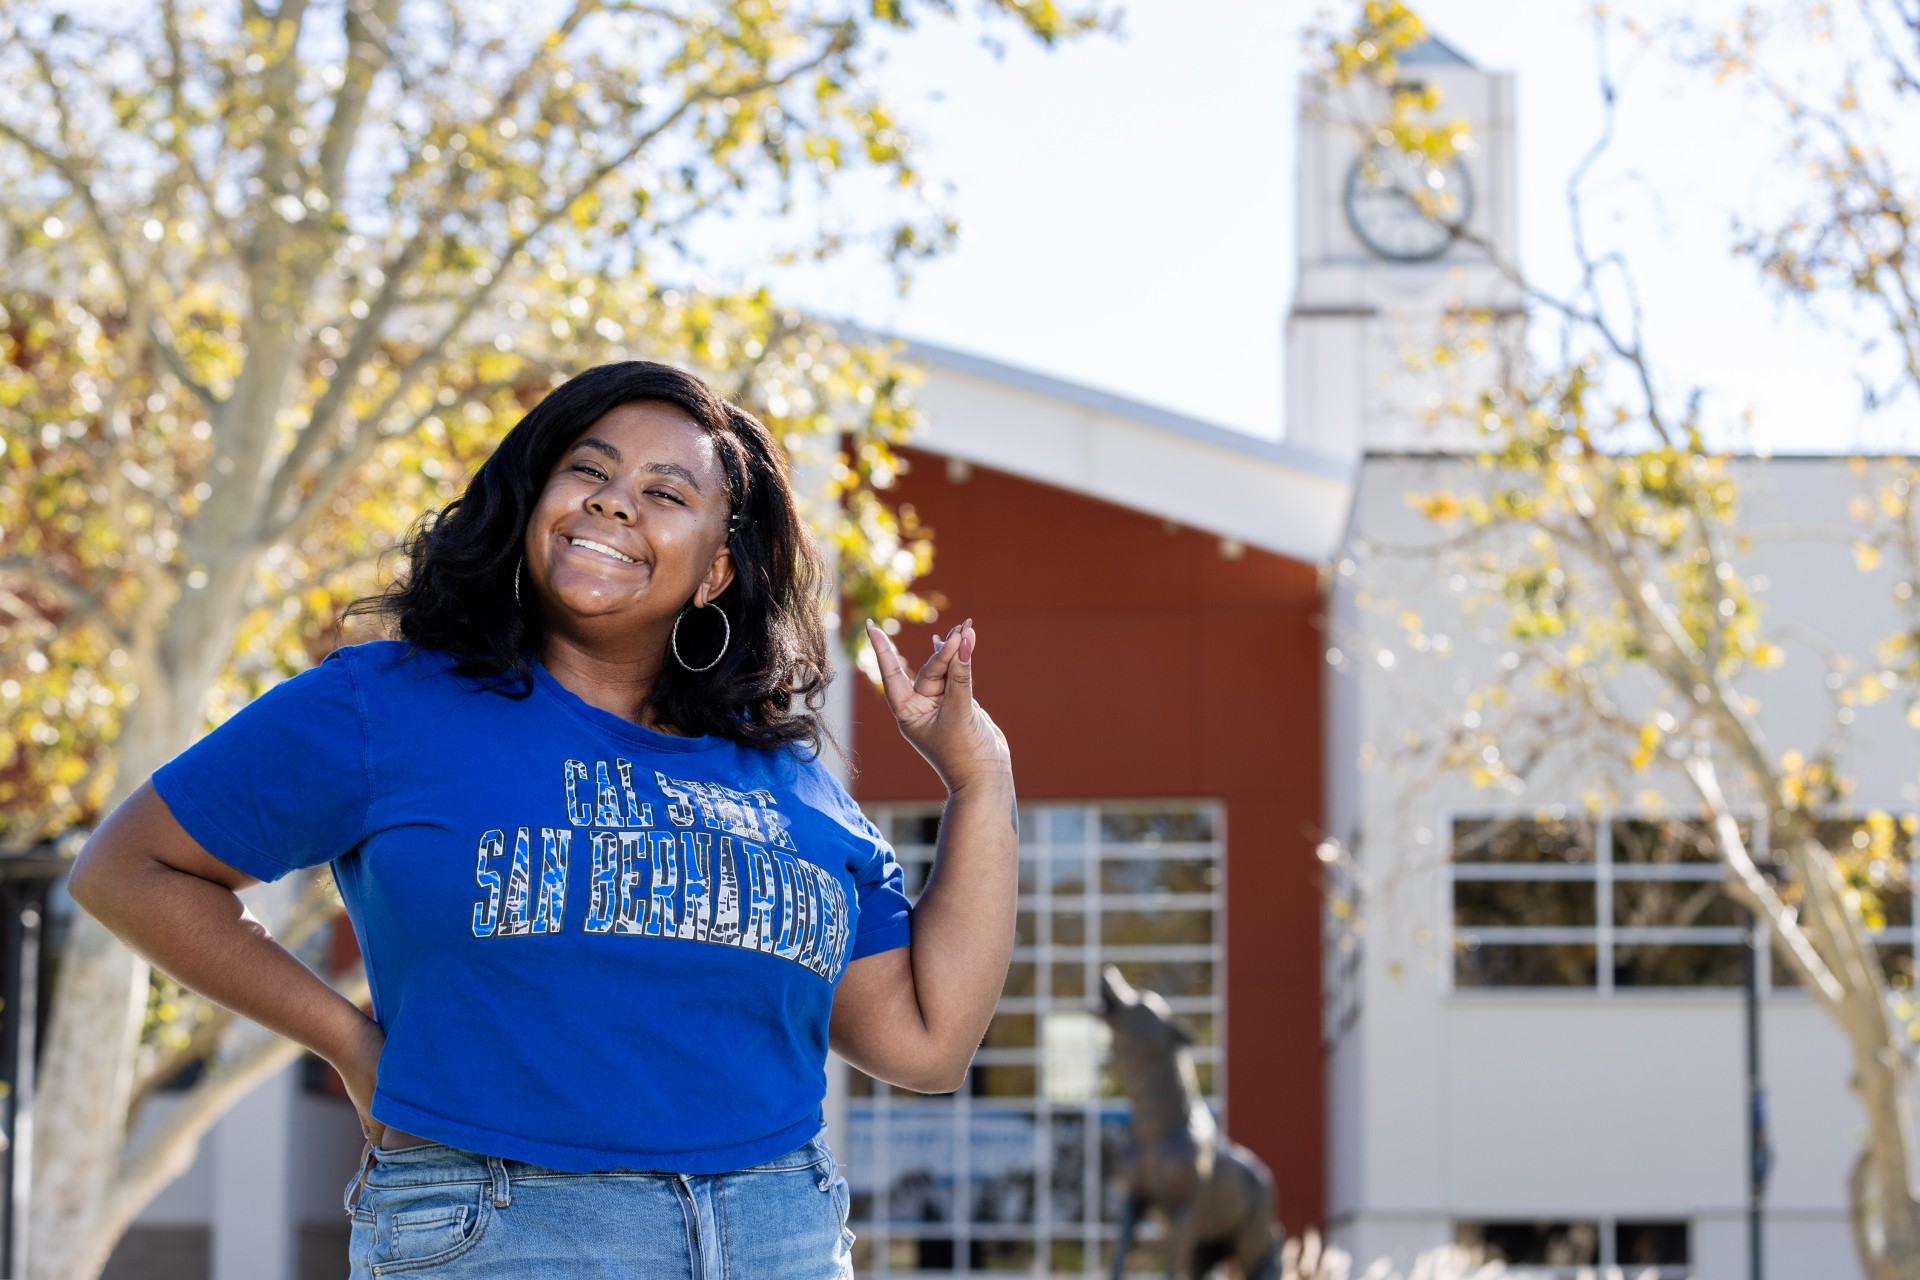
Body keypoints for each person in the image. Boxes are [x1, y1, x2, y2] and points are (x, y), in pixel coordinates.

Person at [68, 361, 1018, 1278]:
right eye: (590, 471)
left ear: (716, 570)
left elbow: (927, 1044)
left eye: (666, 492)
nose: (613, 502)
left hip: (781, 1234)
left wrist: (980, 778)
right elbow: (129, 870)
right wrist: (349, 1039)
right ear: (535, 501)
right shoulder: (389, 705)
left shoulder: (792, 786)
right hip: (506, 1228)